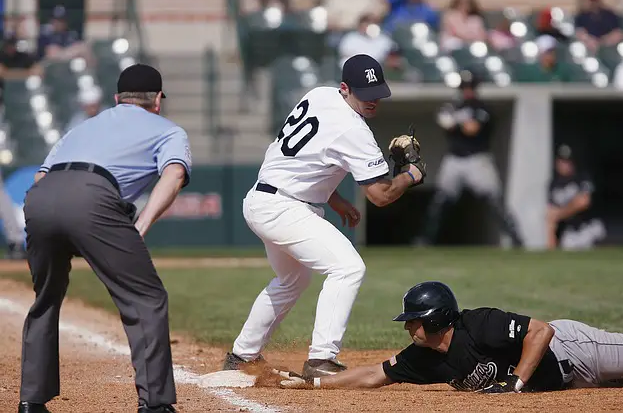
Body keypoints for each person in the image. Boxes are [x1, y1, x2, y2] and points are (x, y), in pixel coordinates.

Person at [223, 54, 427, 379]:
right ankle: (321, 359)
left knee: (293, 279)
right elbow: (380, 195)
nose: (373, 100)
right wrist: (411, 175)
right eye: (364, 93)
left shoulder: (318, 94)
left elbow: (307, 156)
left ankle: (242, 355)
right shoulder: (354, 129)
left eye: (377, 93)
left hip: (265, 198)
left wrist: (335, 199)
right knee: (348, 268)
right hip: (284, 207)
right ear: (345, 88)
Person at [18, 64, 192, 413]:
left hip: (40, 197)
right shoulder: (169, 130)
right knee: (146, 298)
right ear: (157, 100)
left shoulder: (82, 127)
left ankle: (30, 401)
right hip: (93, 196)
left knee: (46, 298)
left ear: (116, 99)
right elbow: (173, 174)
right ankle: (155, 404)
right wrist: (141, 224)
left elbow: (40, 177)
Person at [278, 281, 623, 392]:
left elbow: (542, 331)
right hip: (566, 385)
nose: (408, 328)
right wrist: (317, 386)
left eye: (414, 320)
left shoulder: (479, 324)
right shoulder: (424, 357)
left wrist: (515, 383)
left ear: (435, 320)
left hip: (573, 352)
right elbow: (375, 373)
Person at [415, 70, 523, 247]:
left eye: (470, 87)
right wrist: (458, 123)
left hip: (478, 159)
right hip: (454, 159)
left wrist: (456, 123)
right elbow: (444, 121)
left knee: (493, 201)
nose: (467, 91)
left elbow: (471, 128)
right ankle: (426, 239)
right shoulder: (453, 106)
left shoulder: (482, 108)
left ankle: (516, 239)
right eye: (464, 87)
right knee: (440, 201)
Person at [547, 145, 605, 250]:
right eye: (562, 161)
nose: (564, 165)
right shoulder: (554, 184)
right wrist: (551, 245)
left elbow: (584, 202)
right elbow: (551, 215)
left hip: (589, 226)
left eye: (568, 161)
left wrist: (560, 214)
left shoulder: (582, 177)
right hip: (571, 231)